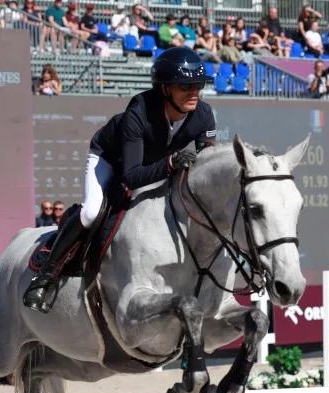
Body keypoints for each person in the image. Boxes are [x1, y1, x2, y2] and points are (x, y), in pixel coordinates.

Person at [22, 47, 216, 313]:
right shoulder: (139, 112)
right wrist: (171, 163)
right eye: (185, 85)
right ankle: (46, 276)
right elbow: (131, 175)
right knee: (91, 212)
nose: (194, 92)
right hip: (111, 160)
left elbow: (207, 162)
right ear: (165, 88)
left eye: (199, 84)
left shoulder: (203, 114)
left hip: (156, 166)